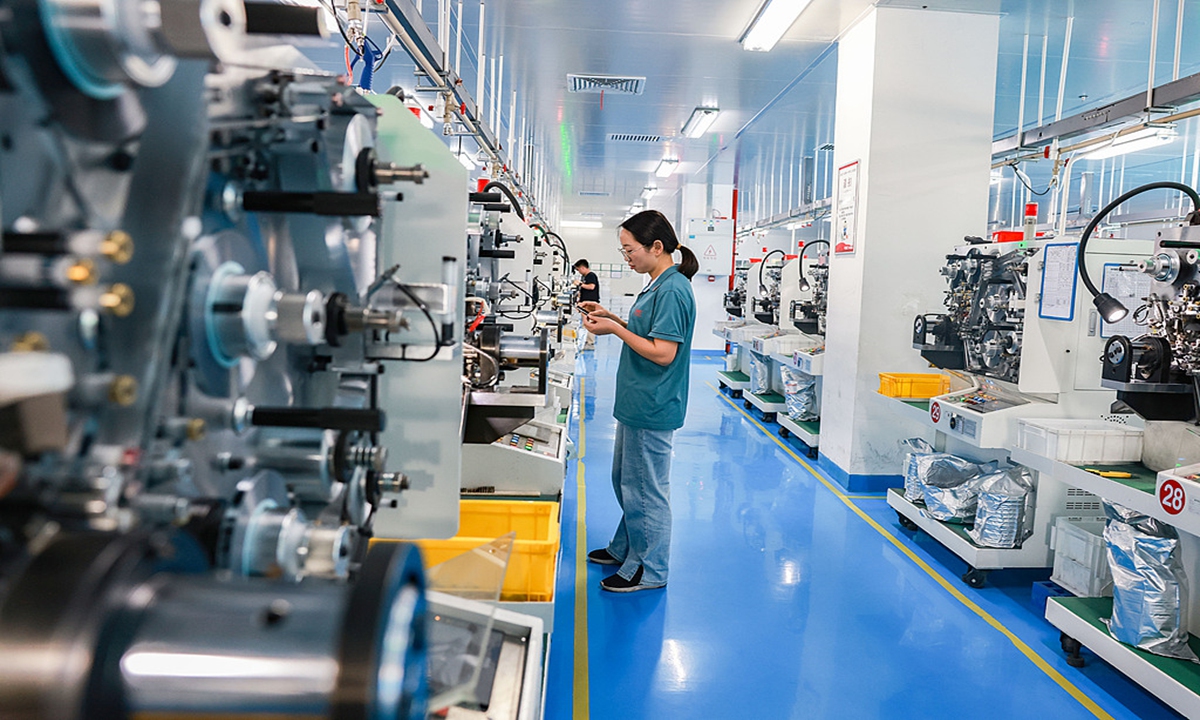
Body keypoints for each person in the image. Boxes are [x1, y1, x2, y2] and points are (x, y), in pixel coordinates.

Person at [579, 210, 697, 592]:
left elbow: (663, 352)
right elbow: (647, 333)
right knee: (626, 480)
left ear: (656, 247)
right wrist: (614, 318)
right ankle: (626, 547)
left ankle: (651, 569)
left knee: (646, 488)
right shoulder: (654, 285)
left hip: (654, 403)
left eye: (630, 249)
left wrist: (613, 329)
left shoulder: (674, 289)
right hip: (636, 400)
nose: (626, 257)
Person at [573, 259, 600, 350]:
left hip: (590, 303)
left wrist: (580, 284)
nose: (578, 272)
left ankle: (590, 343)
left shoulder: (590, 275)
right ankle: (586, 341)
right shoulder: (584, 277)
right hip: (585, 303)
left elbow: (592, 287)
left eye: (578, 269)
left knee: (589, 322)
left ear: (583, 268)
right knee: (585, 323)